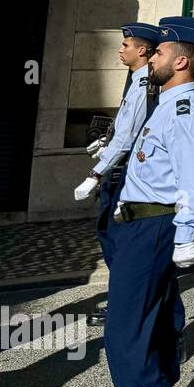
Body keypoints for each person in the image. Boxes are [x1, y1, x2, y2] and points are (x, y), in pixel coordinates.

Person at [97, 16, 194, 387]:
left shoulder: (183, 110)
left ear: (182, 60)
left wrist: (187, 233)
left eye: (162, 51)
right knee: (147, 320)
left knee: (124, 326)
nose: (153, 56)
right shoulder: (167, 103)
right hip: (139, 224)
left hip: (153, 226)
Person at [74, 23, 161, 327]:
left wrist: (95, 174)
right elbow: (121, 130)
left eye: (126, 45)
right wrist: (104, 142)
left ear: (142, 50)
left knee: (117, 239)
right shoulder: (136, 82)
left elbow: (128, 138)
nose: (120, 50)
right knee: (109, 235)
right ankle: (123, 295)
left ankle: (124, 299)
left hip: (122, 173)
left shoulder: (142, 86)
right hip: (117, 168)